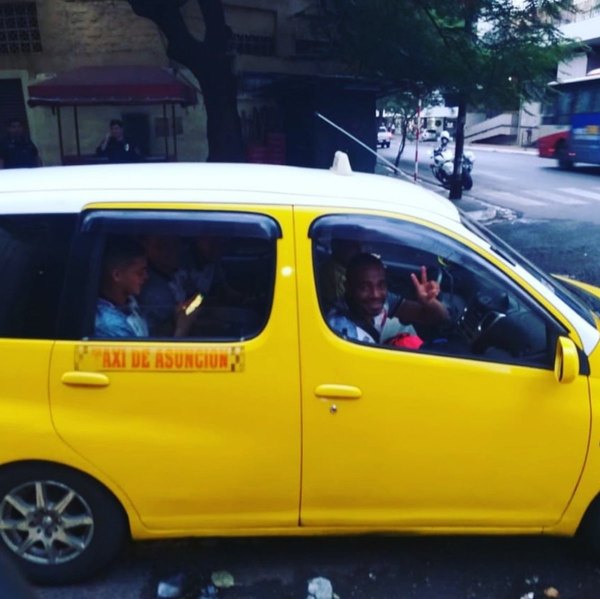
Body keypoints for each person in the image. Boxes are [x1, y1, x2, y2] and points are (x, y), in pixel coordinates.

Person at [327, 252, 448, 345]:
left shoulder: (385, 300)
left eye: (381, 285)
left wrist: (430, 303)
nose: (375, 294)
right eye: (364, 287)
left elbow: (437, 318)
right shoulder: (342, 331)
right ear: (348, 288)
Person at [319, 236, 361, 306]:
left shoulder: (347, 270)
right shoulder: (333, 274)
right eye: (353, 245)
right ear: (337, 247)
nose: (359, 250)